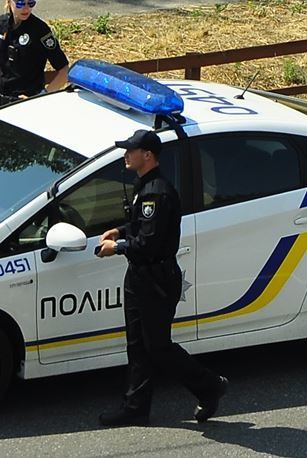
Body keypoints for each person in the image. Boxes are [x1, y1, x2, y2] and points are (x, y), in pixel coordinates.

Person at [95, 129, 228, 426]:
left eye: (131, 150)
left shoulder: (156, 191)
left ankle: (209, 386)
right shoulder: (145, 186)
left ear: (148, 155)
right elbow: (142, 227)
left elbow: (150, 243)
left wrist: (116, 247)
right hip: (140, 276)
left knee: (158, 346)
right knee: (138, 345)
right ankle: (135, 407)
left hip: (156, 278)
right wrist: (121, 231)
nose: (126, 154)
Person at [0, 0, 69, 111]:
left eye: (31, 3)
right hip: (0, 99)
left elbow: (64, 70)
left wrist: (42, 97)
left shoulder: (40, 30)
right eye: (20, 3)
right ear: (9, 2)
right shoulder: (1, 24)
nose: (26, 8)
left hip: (26, 102)